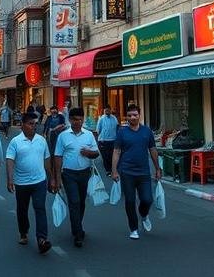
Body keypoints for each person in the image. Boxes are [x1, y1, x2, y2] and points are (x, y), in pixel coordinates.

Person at [5, 112, 53, 254]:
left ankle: (42, 239)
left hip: (39, 181)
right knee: (22, 208)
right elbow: (10, 160)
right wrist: (10, 179)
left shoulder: (42, 140)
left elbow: (47, 160)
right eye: (30, 124)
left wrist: (52, 179)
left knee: (40, 208)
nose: (34, 127)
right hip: (22, 183)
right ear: (23, 125)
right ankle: (24, 232)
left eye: (35, 124)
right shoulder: (16, 142)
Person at [111, 104, 161, 240]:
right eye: (130, 115)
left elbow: (152, 150)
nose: (132, 117)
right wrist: (114, 170)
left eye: (135, 115)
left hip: (144, 172)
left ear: (139, 115)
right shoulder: (122, 132)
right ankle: (133, 228)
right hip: (127, 172)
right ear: (126, 117)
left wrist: (157, 168)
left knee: (147, 199)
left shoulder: (147, 131)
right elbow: (117, 151)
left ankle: (144, 215)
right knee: (130, 200)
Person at [52, 107, 100, 247]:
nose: (77, 122)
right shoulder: (63, 136)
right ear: (70, 120)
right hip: (68, 174)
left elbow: (96, 153)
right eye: (74, 119)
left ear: (83, 120)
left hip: (84, 173)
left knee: (81, 203)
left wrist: (88, 153)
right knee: (74, 201)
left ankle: (77, 226)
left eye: (80, 119)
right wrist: (57, 177)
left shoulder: (89, 135)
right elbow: (58, 156)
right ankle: (78, 234)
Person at [94, 107, 119, 173]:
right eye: (106, 110)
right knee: (105, 156)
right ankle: (108, 170)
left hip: (113, 140)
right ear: (104, 111)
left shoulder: (114, 118)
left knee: (112, 156)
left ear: (110, 110)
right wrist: (100, 138)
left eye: (108, 110)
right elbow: (98, 130)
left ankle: (112, 169)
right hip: (103, 140)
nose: (107, 111)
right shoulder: (101, 119)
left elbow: (117, 127)